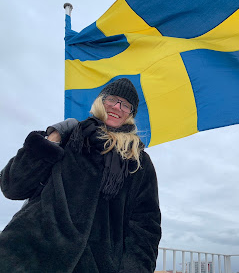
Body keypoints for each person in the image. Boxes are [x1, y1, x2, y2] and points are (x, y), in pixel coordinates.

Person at [0, 78, 161, 273]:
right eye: (112, 100)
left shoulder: (138, 162)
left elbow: (145, 228)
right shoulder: (69, 137)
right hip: (26, 257)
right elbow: (13, 187)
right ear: (100, 101)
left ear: (131, 114)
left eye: (125, 105)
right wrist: (52, 140)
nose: (117, 107)